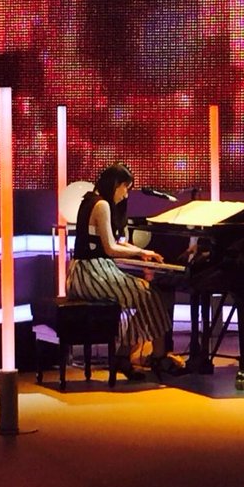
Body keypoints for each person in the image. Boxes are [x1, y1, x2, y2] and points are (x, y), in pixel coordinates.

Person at [66, 162, 173, 380]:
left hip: (86, 271)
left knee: (145, 294)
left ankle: (128, 355)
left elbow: (116, 243)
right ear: (116, 184)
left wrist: (142, 252)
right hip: (90, 273)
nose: (126, 195)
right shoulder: (101, 205)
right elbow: (111, 249)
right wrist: (140, 253)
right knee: (147, 294)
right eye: (126, 188)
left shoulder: (90, 200)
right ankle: (155, 356)